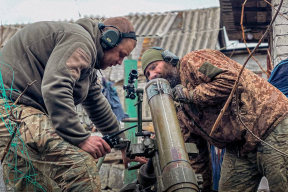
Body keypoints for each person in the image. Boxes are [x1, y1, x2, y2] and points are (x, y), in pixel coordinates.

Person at [0, 17, 147, 192]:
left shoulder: (88, 66)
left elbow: (96, 104)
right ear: (109, 39)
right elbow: (56, 87)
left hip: (15, 111)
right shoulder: (80, 42)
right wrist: (82, 138)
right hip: (9, 107)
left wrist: (123, 146)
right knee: (80, 167)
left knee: (35, 185)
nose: (120, 62)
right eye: (121, 54)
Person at [141, 48, 288, 192]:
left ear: (169, 59)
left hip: (271, 126)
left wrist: (191, 96)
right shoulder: (181, 111)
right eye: (148, 74)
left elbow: (231, 80)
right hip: (238, 147)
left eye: (154, 67)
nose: (152, 75)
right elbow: (197, 157)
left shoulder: (193, 61)